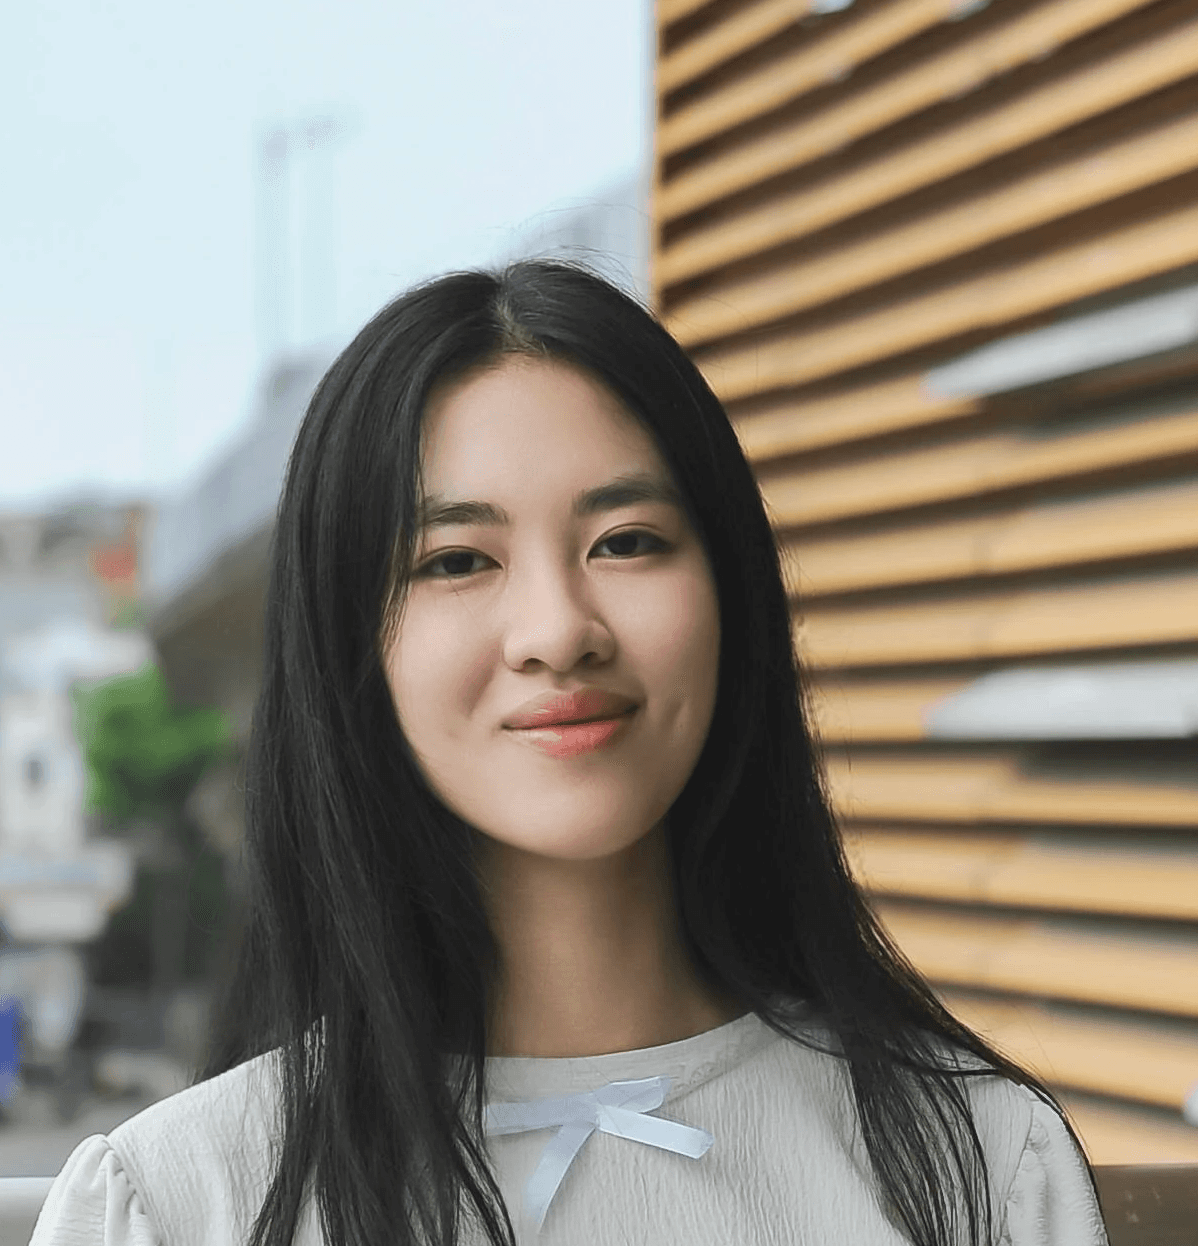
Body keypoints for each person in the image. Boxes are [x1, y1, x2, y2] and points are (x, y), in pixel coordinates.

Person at [30, 261, 1109, 1246]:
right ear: (347, 644)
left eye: (626, 541)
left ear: (731, 592)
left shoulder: (980, 1165)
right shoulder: (175, 1202)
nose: (558, 628)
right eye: (456, 559)